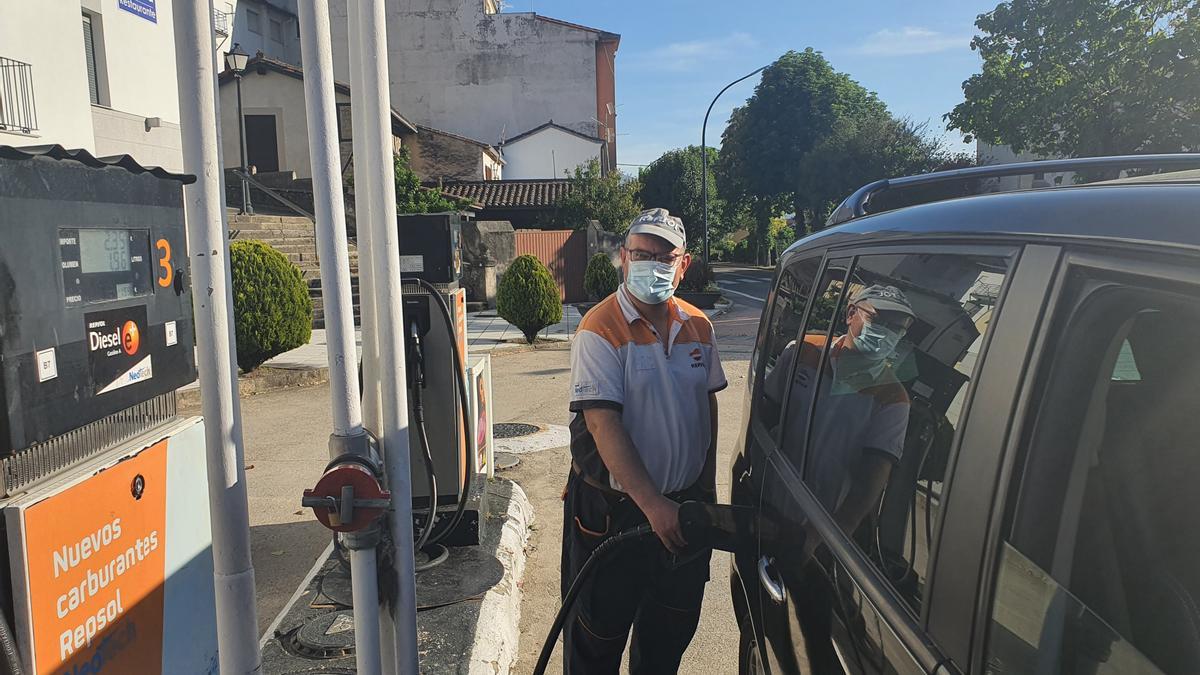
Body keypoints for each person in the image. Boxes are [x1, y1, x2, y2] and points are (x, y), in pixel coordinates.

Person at [563, 208, 727, 674]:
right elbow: (601, 424)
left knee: (666, 637)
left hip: (682, 508)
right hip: (615, 514)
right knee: (597, 639)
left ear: (684, 264)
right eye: (641, 254)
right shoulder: (600, 328)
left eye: (664, 256)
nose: (651, 264)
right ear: (623, 257)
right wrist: (653, 505)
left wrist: (706, 493)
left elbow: (706, 410)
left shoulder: (699, 325)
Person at [765, 284, 914, 540]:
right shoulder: (803, 351)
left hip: (820, 528)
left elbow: (873, 475)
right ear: (850, 314)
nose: (886, 333)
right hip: (767, 504)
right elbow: (764, 415)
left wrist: (831, 535)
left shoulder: (893, 398)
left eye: (896, 327)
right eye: (878, 320)